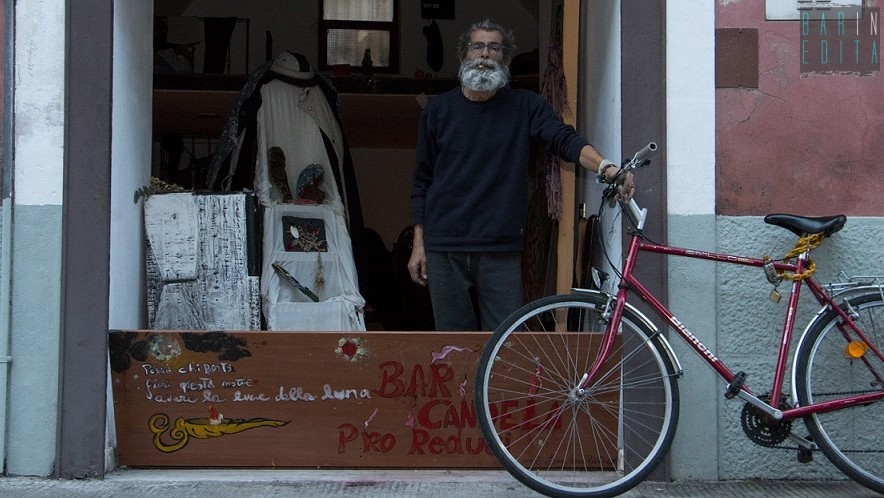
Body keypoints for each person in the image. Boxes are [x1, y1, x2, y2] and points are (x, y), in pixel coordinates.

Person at [408, 19, 634, 331]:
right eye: (478, 47)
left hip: (500, 246)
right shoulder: (437, 111)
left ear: (506, 60)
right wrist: (419, 244)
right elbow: (422, 181)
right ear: (463, 57)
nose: (486, 55)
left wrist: (607, 168)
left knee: (506, 344)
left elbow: (564, 139)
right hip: (445, 243)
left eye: (494, 48)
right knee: (451, 346)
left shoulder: (525, 106)